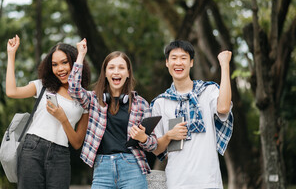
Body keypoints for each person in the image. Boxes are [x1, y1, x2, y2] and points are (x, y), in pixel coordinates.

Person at [68, 38, 157, 189]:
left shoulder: (141, 103)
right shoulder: (94, 100)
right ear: (105, 73)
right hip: (102, 169)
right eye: (111, 68)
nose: (116, 72)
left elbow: (153, 144)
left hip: (132, 168)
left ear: (128, 73)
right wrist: (81, 55)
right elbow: (74, 89)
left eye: (121, 68)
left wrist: (143, 138)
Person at [6, 35, 91, 189]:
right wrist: (11, 54)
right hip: (32, 149)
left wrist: (63, 119)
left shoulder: (84, 99)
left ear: (74, 62)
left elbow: (77, 142)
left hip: (61, 154)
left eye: (65, 62)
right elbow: (12, 91)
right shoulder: (42, 86)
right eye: (54, 64)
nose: (60, 69)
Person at [151, 40, 233, 189]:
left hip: (209, 181)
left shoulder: (208, 91)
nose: (178, 62)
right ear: (167, 63)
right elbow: (157, 148)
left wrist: (225, 65)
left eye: (183, 58)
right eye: (174, 58)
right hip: (176, 182)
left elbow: (224, 107)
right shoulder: (160, 103)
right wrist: (169, 135)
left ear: (191, 63)